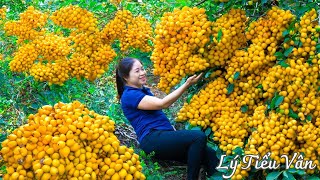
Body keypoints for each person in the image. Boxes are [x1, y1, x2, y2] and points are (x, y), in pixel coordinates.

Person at [115, 57, 219, 179]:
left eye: (142, 69)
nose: (143, 72)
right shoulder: (129, 95)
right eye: (137, 71)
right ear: (126, 77)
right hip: (152, 139)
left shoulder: (142, 90)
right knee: (198, 136)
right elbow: (162, 104)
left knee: (211, 156)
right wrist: (187, 84)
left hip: (163, 136)